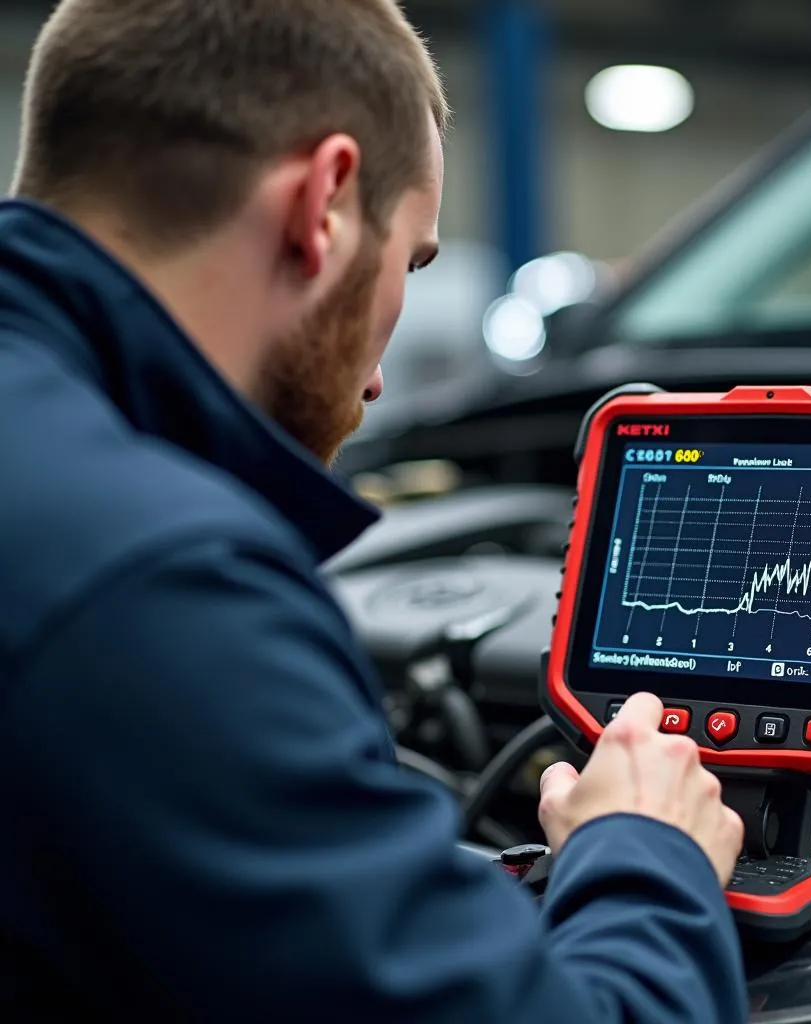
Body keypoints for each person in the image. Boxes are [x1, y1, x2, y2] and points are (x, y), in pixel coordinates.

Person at [0, 1, 747, 1020]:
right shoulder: (159, 589)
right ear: (325, 203)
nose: (383, 383)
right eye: (415, 260)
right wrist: (646, 852)